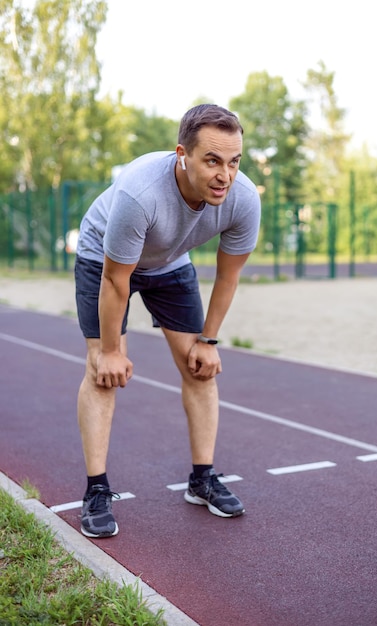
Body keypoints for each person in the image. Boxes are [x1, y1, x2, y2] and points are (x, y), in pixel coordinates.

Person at [74, 104, 261, 538]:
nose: (224, 175)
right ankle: (96, 490)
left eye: (234, 162)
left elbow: (228, 276)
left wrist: (208, 341)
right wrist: (111, 351)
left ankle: (202, 479)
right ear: (183, 154)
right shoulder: (141, 194)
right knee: (102, 373)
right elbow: (117, 280)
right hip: (105, 260)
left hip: (170, 263)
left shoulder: (244, 199)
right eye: (212, 160)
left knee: (200, 368)